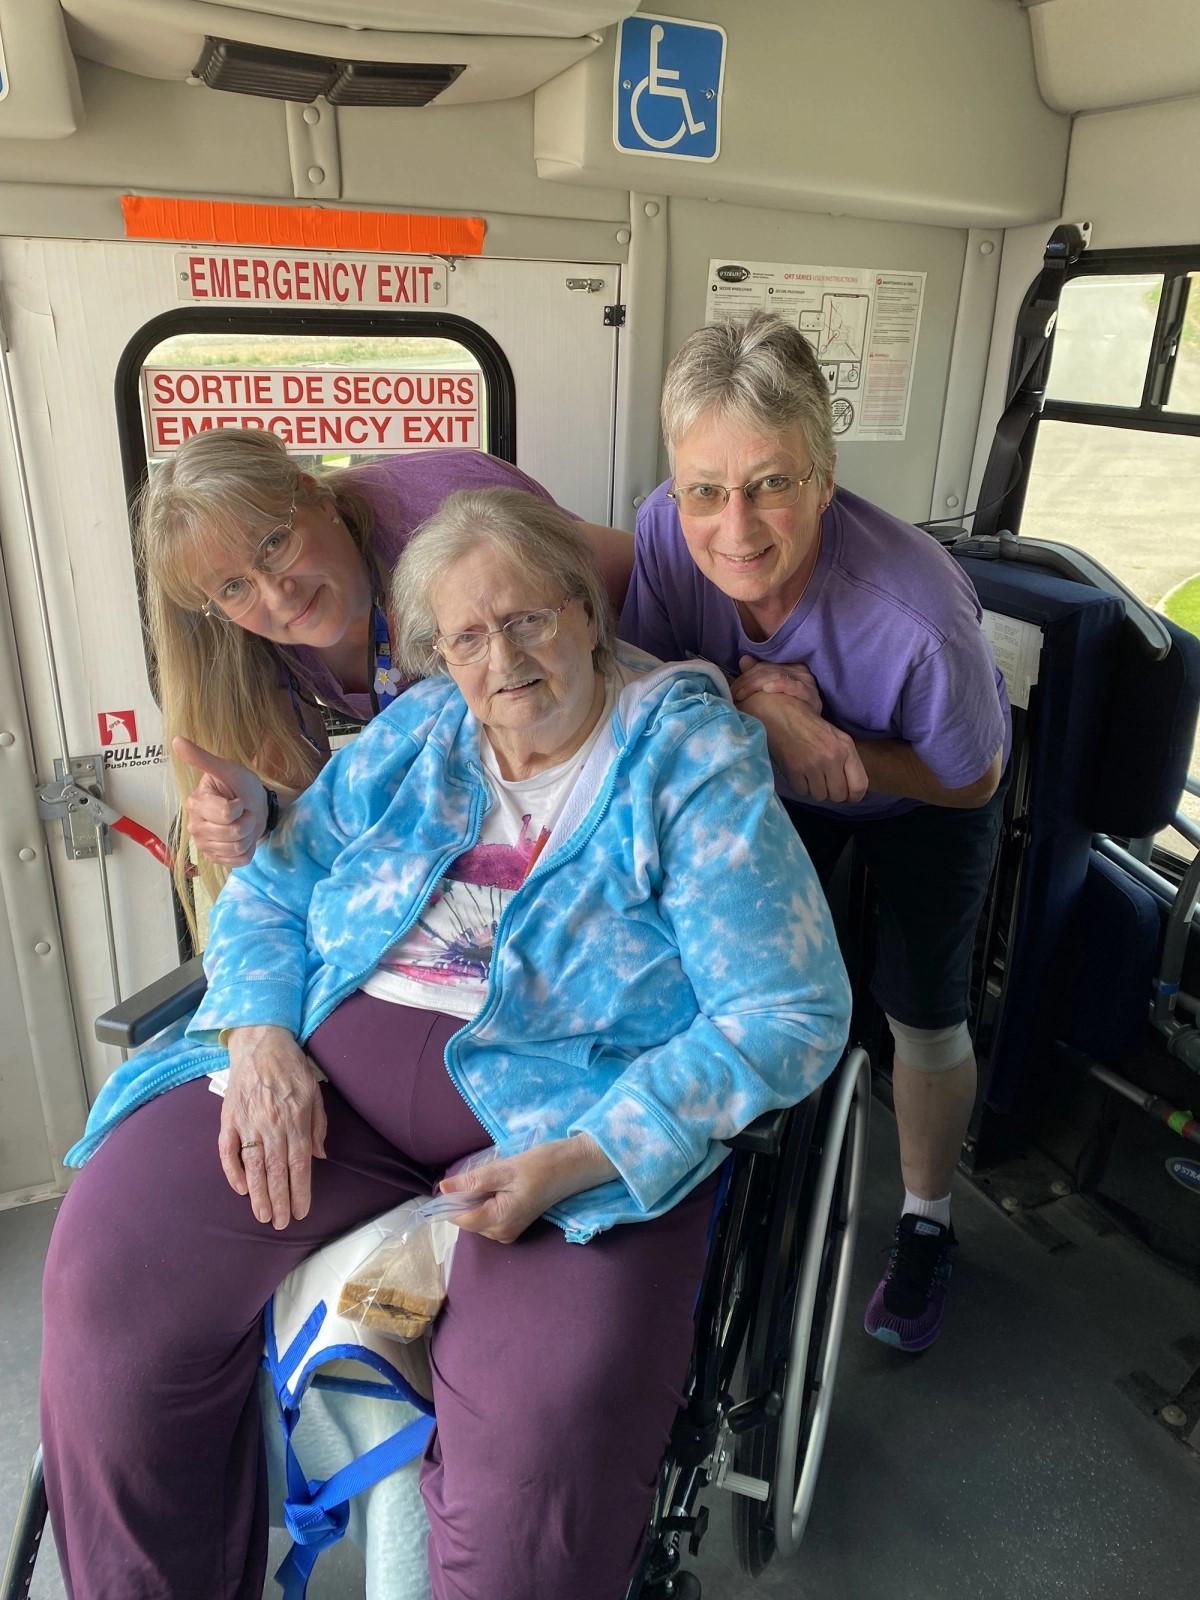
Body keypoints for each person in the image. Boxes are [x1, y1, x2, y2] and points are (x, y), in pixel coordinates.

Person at [42, 488, 851, 1600]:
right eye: (466, 636)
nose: (502, 659)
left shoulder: (685, 756)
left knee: (541, 1441)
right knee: (111, 1273)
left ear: (582, 608)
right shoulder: (421, 733)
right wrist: (262, 1034)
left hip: (562, 1125)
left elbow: (787, 1009)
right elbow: (276, 888)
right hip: (332, 1078)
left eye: (526, 619)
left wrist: (585, 1153)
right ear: (435, 651)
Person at [620, 311, 1011, 1354]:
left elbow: (974, 779)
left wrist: (837, 746)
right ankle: (734, 1180)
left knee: (922, 1009)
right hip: (778, 765)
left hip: (922, 787)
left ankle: (928, 1219)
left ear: (824, 479)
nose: (734, 526)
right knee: (747, 973)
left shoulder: (914, 616)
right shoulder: (666, 527)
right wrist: (757, 709)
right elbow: (657, 691)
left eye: (771, 484)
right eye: (708, 487)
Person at [137, 426, 633, 926]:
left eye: (274, 544)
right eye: (233, 587)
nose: (277, 595)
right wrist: (261, 808)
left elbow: (629, 571)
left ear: (315, 497)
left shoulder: (442, 504)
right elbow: (322, 820)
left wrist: (670, 712)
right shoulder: (250, 645)